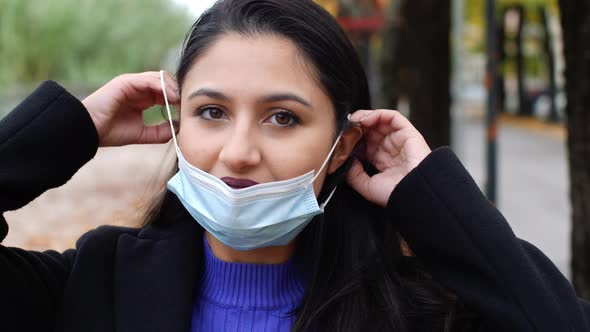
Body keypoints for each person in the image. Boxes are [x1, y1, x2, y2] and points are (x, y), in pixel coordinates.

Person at [1, 0, 588, 331]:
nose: (237, 151)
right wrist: (67, 129)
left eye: (282, 117)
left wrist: (432, 197)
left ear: (340, 147)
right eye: (211, 111)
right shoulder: (96, 283)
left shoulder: (417, 311)